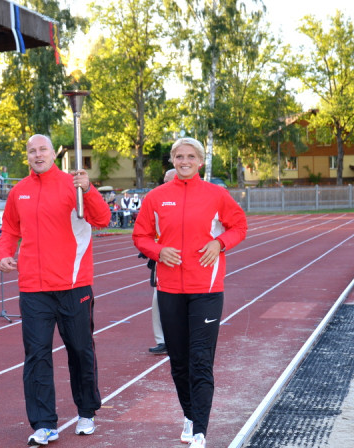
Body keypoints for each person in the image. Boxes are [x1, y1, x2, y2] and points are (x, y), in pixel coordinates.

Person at [132, 138, 247, 448]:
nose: (184, 161)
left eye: (190, 156)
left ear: (200, 161)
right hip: (170, 290)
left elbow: (239, 226)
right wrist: (158, 251)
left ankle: (199, 430)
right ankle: (189, 413)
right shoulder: (157, 197)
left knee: (200, 360)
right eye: (179, 156)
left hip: (206, 290)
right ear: (173, 160)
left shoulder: (216, 194)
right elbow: (140, 235)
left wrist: (219, 243)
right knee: (179, 362)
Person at [0, 134, 111, 445]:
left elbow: (102, 219)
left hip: (74, 284)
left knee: (80, 350)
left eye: (42, 149)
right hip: (33, 287)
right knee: (37, 355)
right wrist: (4, 253)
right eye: (31, 150)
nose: (37, 154)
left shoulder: (74, 185)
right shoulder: (19, 191)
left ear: (52, 153)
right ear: (27, 156)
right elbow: (9, 229)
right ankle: (44, 423)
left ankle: (86, 410)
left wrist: (87, 189)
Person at [146, 169, 178, 356]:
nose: (165, 184)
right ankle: (162, 340)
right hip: (162, 260)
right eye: (164, 180)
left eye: (169, 180)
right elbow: (145, 232)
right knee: (158, 301)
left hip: (185, 261)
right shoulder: (157, 200)